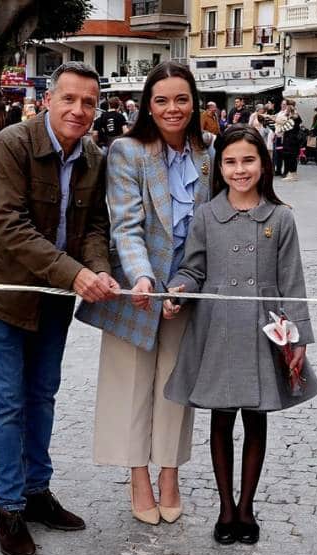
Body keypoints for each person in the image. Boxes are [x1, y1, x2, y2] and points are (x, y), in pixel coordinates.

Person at [0, 61, 117, 555]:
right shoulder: (12, 143)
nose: (79, 110)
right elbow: (10, 225)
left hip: (53, 298)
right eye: (69, 99)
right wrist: (76, 274)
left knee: (42, 396)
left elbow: (95, 226)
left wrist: (97, 269)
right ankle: (10, 509)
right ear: (47, 100)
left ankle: (37, 493)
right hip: (1, 295)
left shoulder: (93, 156)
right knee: (7, 401)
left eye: (89, 102)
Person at [162, 125, 317, 545]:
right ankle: (225, 508)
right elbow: (193, 269)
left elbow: (292, 281)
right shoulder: (206, 215)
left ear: (264, 164)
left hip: (264, 331)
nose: (239, 169)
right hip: (216, 329)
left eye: (248, 160)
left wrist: (299, 335)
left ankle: (246, 508)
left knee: (256, 418)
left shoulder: (280, 217)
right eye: (230, 161)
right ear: (220, 168)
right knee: (220, 419)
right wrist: (179, 291)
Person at [76, 61, 214, 527]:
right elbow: (126, 227)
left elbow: (206, 230)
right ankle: (138, 477)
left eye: (181, 98)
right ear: (147, 106)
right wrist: (143, 279)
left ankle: (170, 475)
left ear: (193, 102)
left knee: (176, 386)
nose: (172, 108)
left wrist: (187, 282)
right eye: (162, 100)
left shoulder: (207, 153)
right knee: (130, 385)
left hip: (185, 290)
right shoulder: (126, 151)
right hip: (136, 288)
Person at [279, 99, 302, 182]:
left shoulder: (295, 115)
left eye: (287, 105)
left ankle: (292, 174)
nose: (286, 107)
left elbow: (297, 120)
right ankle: (290, 173)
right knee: (288, 156)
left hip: (293, 140)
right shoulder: (289, 115)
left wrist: (292, 111)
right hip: (288, 139)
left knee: (292, 157)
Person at [273, 99, 289, 175]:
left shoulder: (288, 113)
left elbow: (284, 122)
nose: (283, 106)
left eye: (285, 104)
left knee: (284, 155)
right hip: (278, 135)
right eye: (282, 104)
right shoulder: (279, 113)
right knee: (278, 154)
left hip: (284, 136)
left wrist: (275, 120)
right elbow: (276, 124)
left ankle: (285, 171)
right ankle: (278, 170)